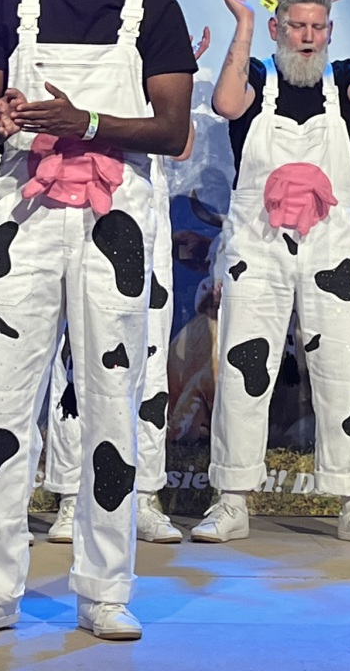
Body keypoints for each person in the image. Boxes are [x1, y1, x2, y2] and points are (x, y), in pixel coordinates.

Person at [0, 0, 196, 642]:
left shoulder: (154, 10)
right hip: (24, 219)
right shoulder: (7, 1)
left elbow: (173, 130)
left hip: (114, 226)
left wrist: (87, 122)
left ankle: (105, 589)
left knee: (112, 403)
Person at [191, 0, 350, 546]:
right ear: (277, 29)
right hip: (256, 248)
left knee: (343, 367)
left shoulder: (345, 80)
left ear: (330, 31)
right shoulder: (257, 76)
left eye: (317, 27)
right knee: (244, 365)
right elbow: (226, 103)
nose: (307, 36)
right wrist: (243, 26)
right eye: (296, 26)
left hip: (329, 249)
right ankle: (231, 498)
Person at [45, 27, 210, 547]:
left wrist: (177, 76)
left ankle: (143, 495)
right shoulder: (70, 46)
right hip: (70, 209)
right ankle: (72, 494)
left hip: (141, 218)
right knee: (73, 357)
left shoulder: (156, 62)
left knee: (149, 355)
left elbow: (180, 146)